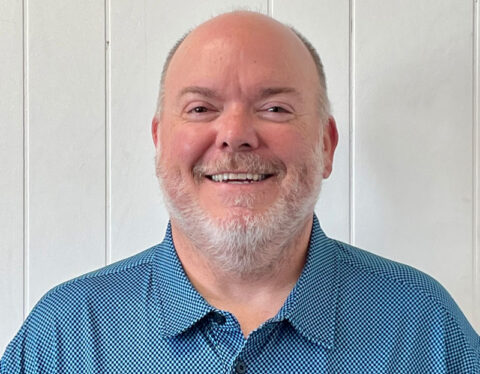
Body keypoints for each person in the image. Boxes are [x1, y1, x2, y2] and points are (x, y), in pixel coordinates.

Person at [1, 10, 479, 374]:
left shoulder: (425, 330)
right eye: (201, 108)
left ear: (326, 146)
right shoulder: (63, 336)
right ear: (160, 142)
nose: (234, 134)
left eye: (274, 108)